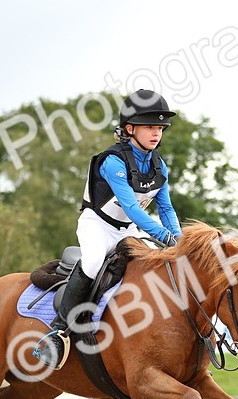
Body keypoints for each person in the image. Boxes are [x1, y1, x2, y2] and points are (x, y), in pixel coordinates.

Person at [32, 89, 182, 369]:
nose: (156, 133)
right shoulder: (113, 162)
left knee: (156, 266)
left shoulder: (159, 166)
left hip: (127, 231)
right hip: (97, 225)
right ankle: (58, 331)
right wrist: (164, 236)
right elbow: (135, 210)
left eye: (160, 127)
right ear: (130, 128)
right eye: (150, 126)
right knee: (92, 262)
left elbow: (166, 210)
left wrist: (181, 240)